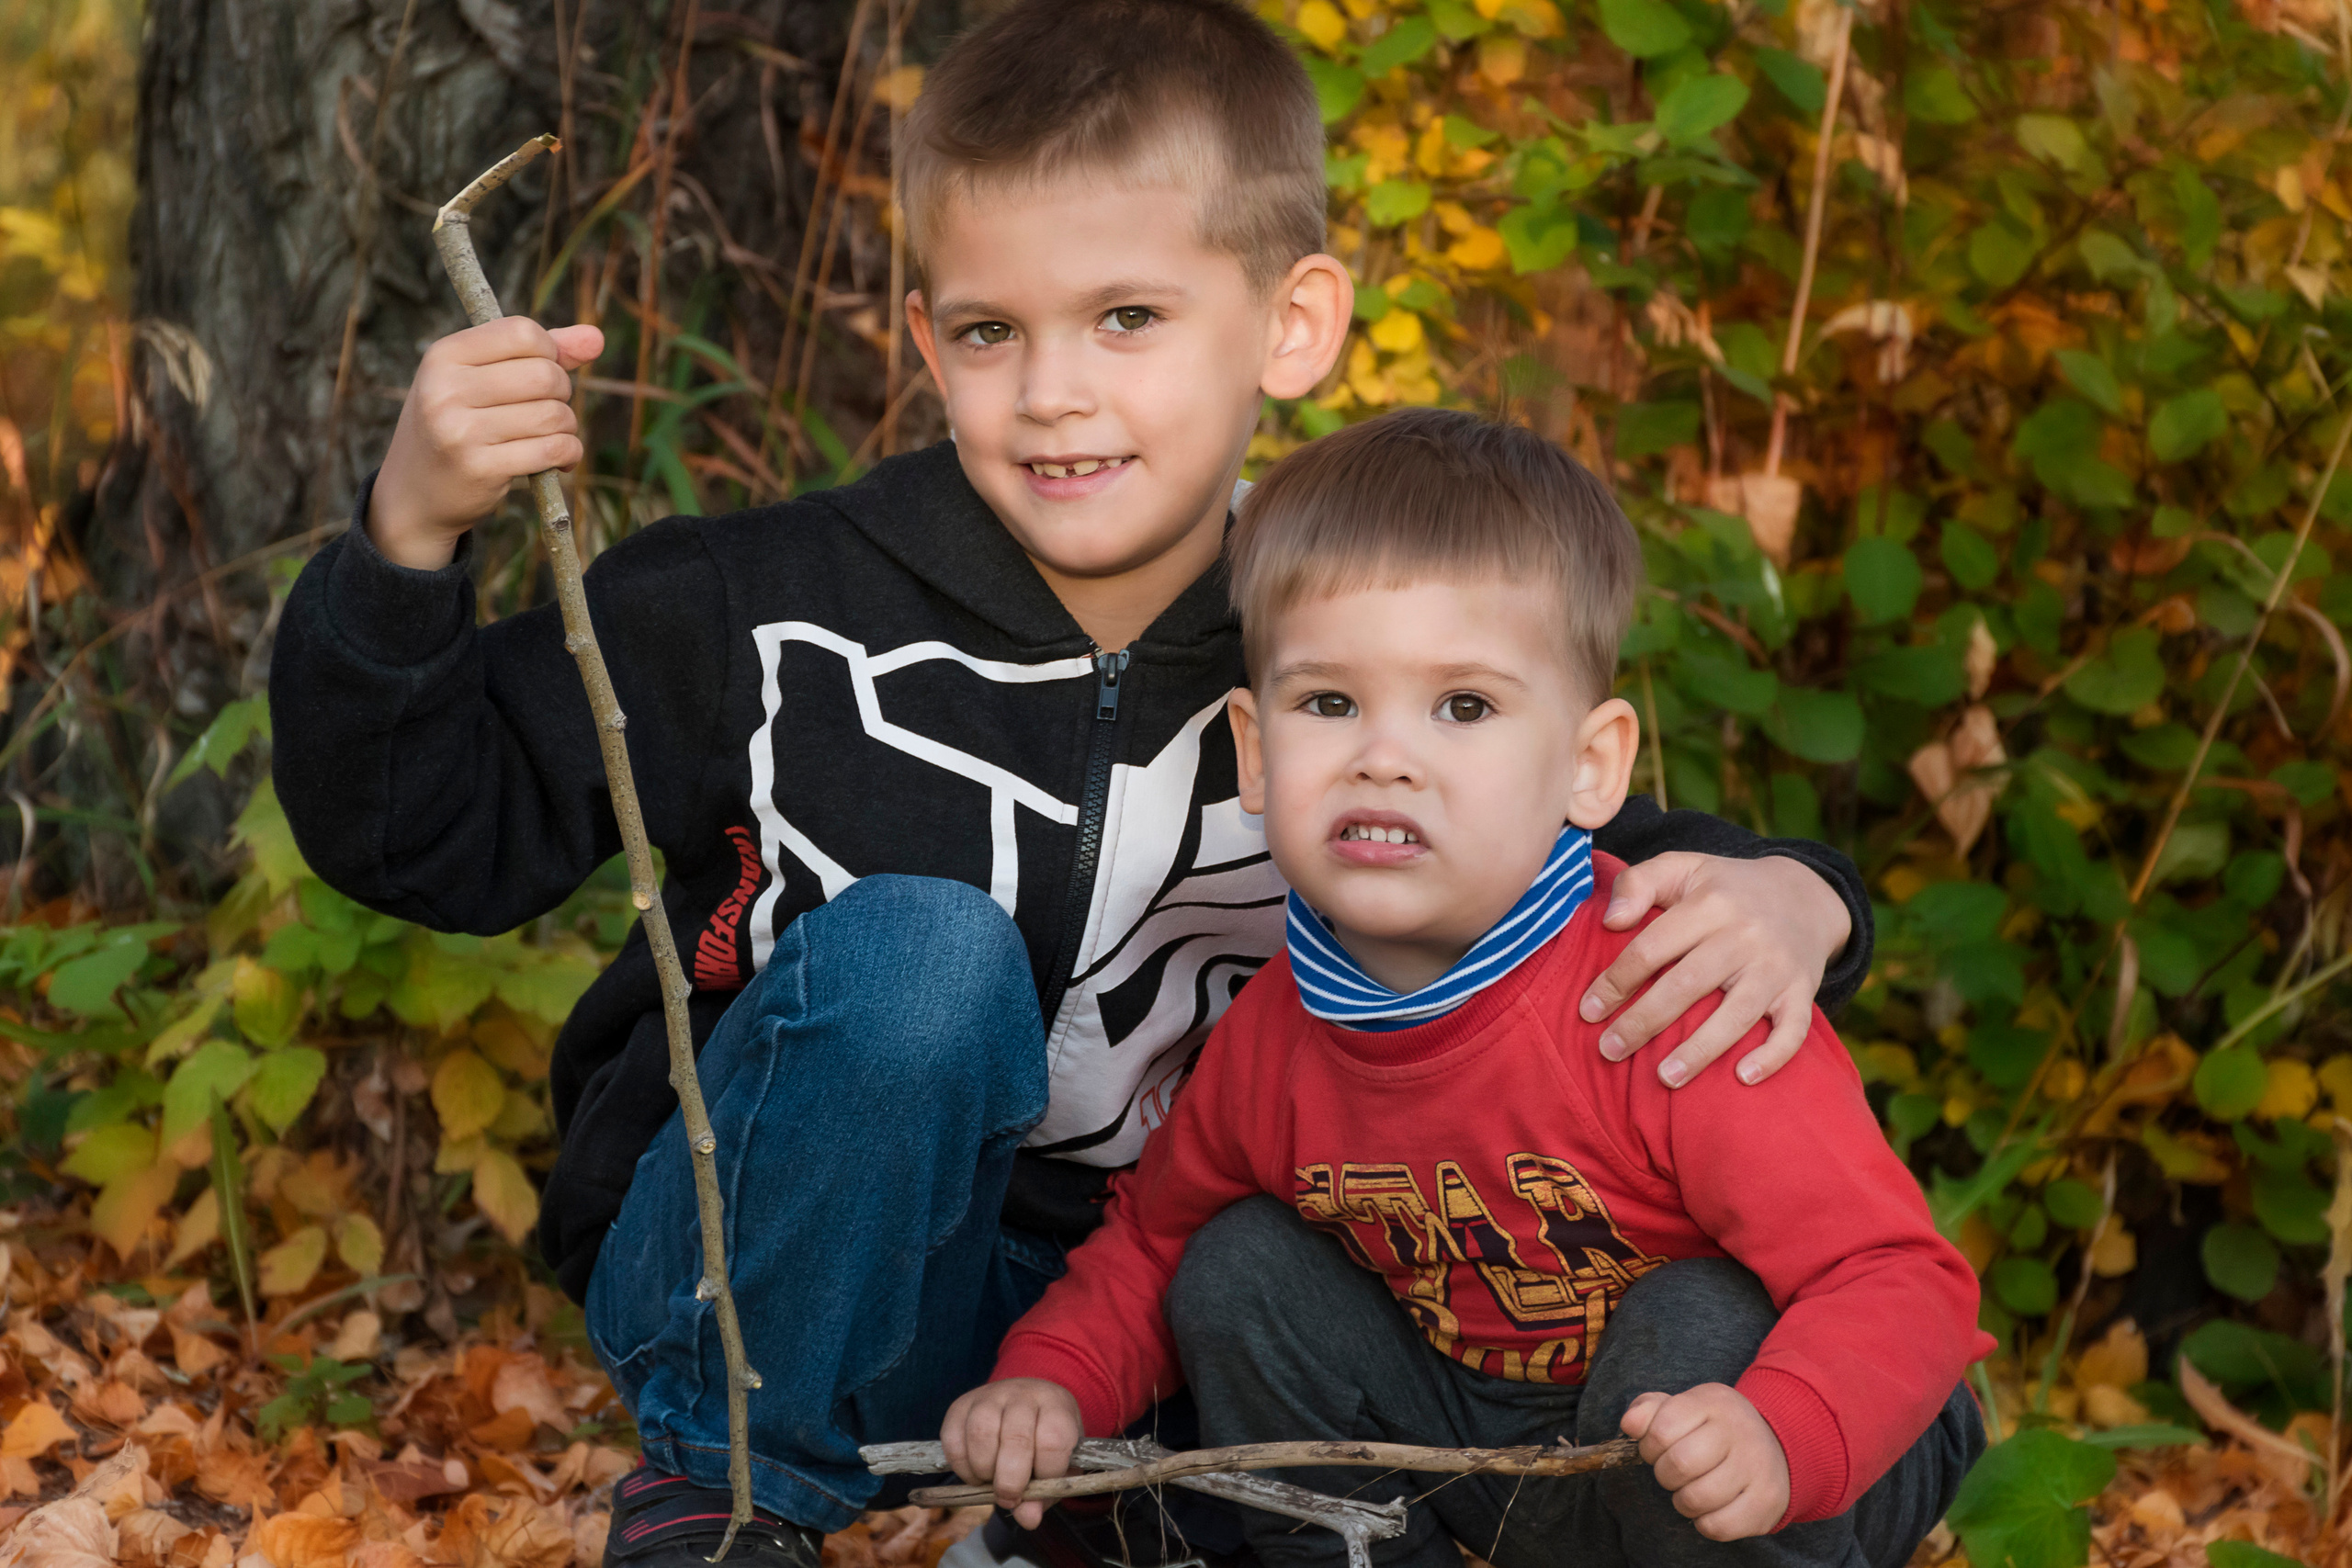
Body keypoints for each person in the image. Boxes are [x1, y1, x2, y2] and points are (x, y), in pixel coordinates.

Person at [267, 3, 1878, 1563]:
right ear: (927, 340)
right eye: (990, 330)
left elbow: (1578, 845)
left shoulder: (1340, 652)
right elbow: (430, 841)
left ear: (1291, 323)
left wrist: (1800, 894)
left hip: (1142, 1330)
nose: (1054, 390)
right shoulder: (755, 606)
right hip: (792, 1283)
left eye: (1128, 317)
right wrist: (409, 540)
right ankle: (732, 1491)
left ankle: (1121, 1499)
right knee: (924, 958)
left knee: (1269, 1233)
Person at [944, 410, 1989, 1568]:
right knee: (1236, 1266)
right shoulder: (1277, 1032)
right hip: (1484, 1450)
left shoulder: (1670, 988)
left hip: (1788, 1438)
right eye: (1329, 704)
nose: (1384, 755)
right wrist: (1050, 1382)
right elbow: (1151, 1244)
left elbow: (1901, 1279)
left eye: (1464, 707)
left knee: (1692, 1323)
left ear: (1589, 765)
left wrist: (1782, 1431)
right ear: (1254, 747)